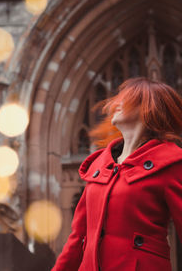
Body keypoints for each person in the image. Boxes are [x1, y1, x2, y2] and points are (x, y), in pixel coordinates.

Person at [51, 77, 182, 271]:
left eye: (128, 99)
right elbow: (78, 237)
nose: (116, 103)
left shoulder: (171, 163)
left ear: (149, 106)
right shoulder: (99, 165)